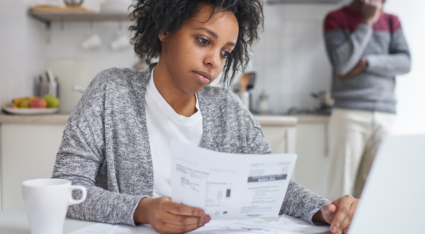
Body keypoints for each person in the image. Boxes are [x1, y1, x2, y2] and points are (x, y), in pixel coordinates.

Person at [53, 1, 359, 234]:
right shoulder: (111, 91)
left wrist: (326, 209)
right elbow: (67, 189)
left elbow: (270, 187)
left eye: (226, 52)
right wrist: (142, 210)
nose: (214, 61)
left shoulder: (229, 109)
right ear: (165, 29)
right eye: (203, 40)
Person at [323, 0, 411, 201]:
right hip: (349, 113)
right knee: (340, 190)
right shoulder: (335, 18)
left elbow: (405, 62)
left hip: (385, 114)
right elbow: (342, 64)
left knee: (376, 190)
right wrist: (367, 22)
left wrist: (366, 62)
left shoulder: (392, 21)